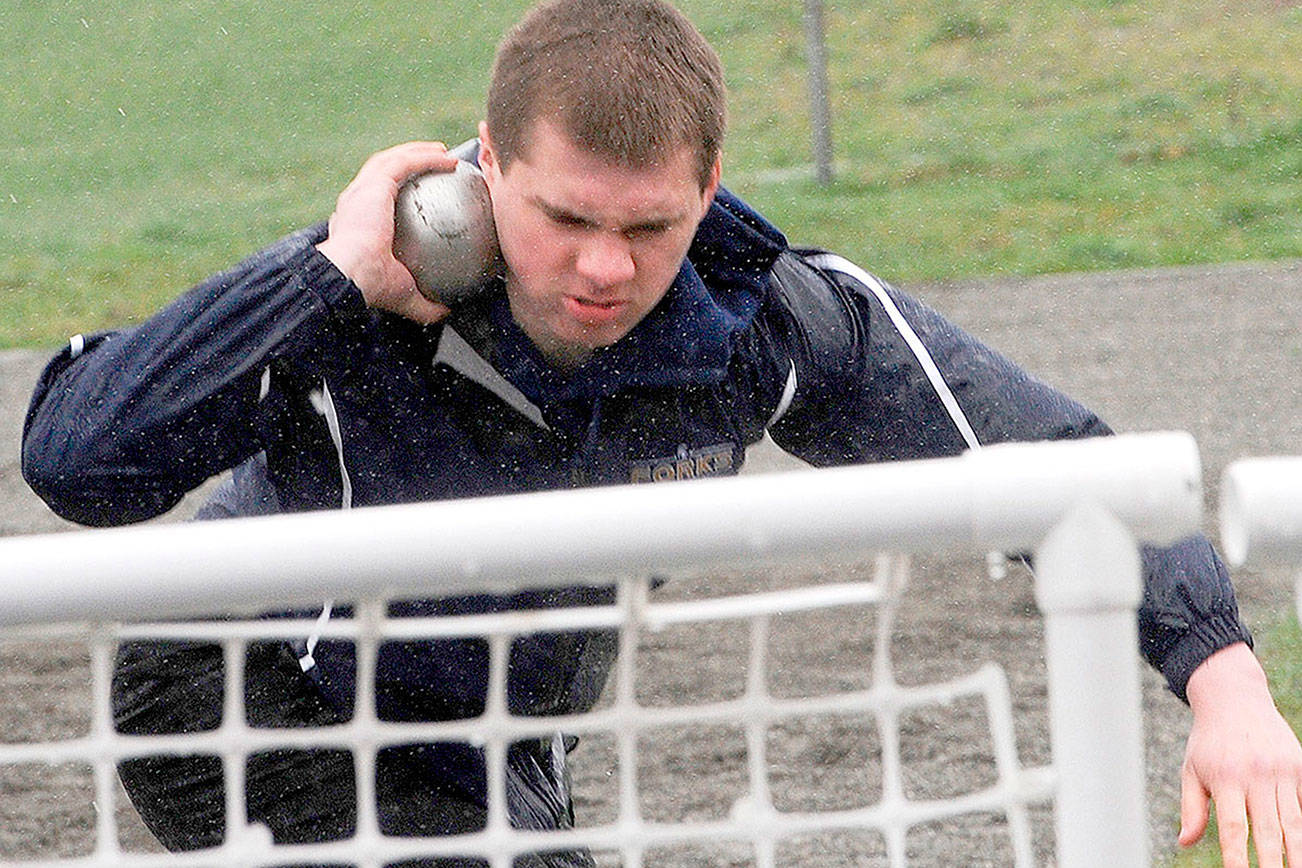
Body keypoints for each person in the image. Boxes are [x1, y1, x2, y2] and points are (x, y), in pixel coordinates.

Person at [19, 0, 1302, 865]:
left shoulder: (760, 320)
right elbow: (77, 461)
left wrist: (1223, 672)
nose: (602, 268)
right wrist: (320, 278)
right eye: (562, 217)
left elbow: (1053, 460)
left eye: (649, 228)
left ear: (710, 182)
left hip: (497, 745)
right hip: (245, 692)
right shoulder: (358, 294)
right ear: (480, 173)